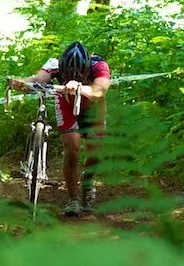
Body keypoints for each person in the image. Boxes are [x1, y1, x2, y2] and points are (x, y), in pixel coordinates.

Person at [11, 41, 111, 216]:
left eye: (80, 74)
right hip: (65, 103)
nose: (75, 76)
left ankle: (87, 181)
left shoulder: (99, 65)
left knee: (96, 154)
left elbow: (100, 91)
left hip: (92, 105)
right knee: (72, 149)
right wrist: (21, 83)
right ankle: (73, 199)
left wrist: (80, 87)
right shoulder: (53, 65)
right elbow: (38, 81)